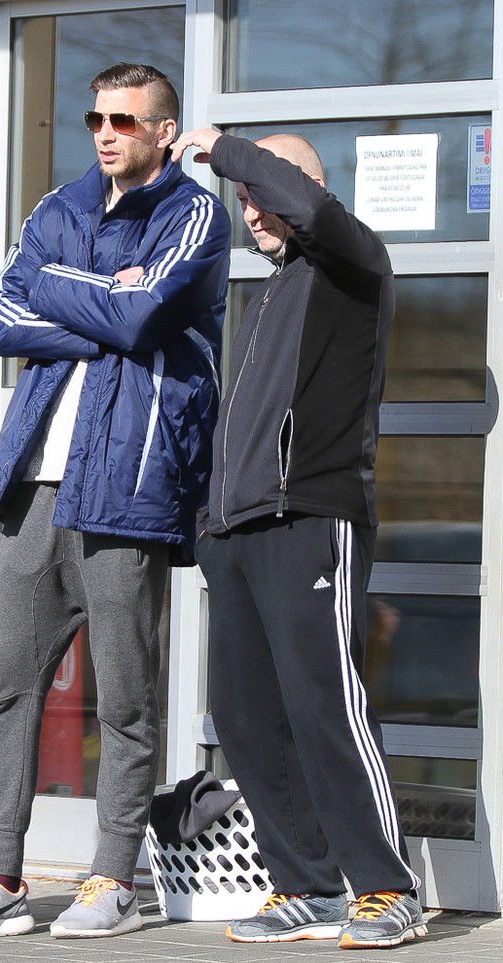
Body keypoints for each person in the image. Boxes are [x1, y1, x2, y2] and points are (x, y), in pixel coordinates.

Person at [0, 64, 230, 942]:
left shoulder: (193, 216)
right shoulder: (57, 207)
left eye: (124, 120)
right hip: (36, 488)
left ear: (164, 131)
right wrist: (105, 302)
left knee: (125, 697)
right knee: (1, 683)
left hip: (126, 488)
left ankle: (113, 878)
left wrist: (71, 292)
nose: (105, 133)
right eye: (96, 118)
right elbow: (2, 314)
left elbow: (142, 315)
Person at [169, 126, 426, 949]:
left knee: (325, 704)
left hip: (312, 518)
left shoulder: (354, 262)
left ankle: (386, 887)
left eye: (263, 194)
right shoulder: (273, 293)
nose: (253, 212)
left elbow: (309, 208)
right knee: (247, 716)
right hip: (238, 532)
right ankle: (305, 885)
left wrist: (226, 150)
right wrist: (210, 528)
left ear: (304, 186)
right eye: (243, 203)